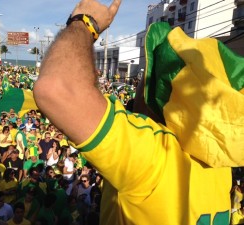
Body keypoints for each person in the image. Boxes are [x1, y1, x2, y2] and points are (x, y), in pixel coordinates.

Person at [33, 0, 240, 224]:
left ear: (162, 93)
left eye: (145, 77)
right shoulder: (222, 166)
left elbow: (56, 87)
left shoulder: (153, 156)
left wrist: (85, 22)